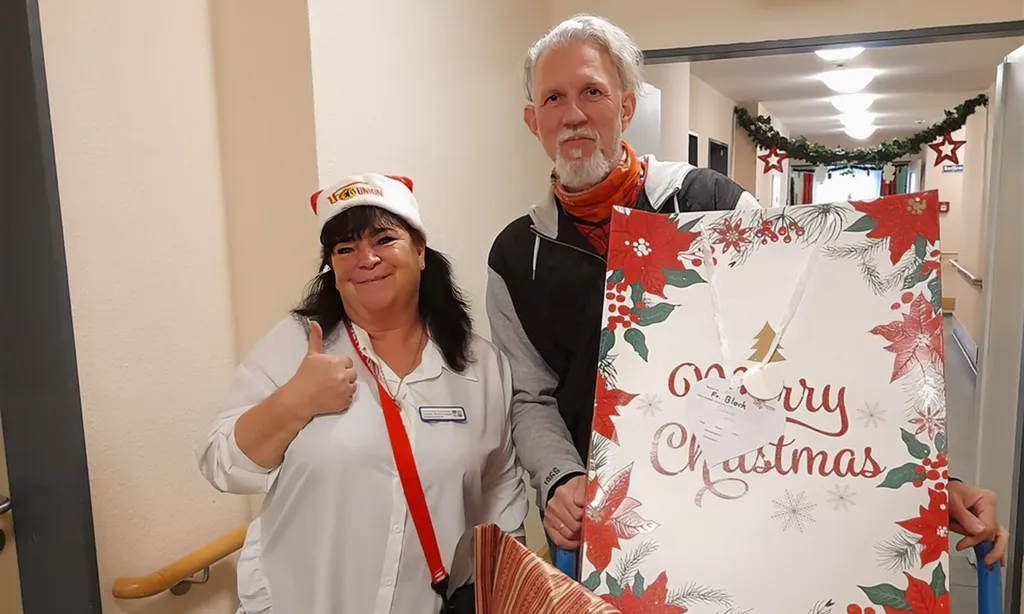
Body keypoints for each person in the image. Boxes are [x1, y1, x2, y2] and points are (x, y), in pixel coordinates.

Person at [486, 13, 1009, 566]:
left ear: (626, 105)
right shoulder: (516, 257)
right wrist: (560, 477)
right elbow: (530, 394)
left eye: (591, 91)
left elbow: (816, 338)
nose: (572, 114)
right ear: (532, 121)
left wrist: (927, 482)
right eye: (552, 99)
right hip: (609, 525)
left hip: (740, 497)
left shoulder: (714, 204)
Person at [196, 173, 528, 614]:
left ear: (421, 251)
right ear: (332, 269)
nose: (366, 259)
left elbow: (500, 491)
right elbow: (220, 463)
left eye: (384, 239)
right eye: (345, 249)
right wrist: (296, 399)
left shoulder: (480, 365)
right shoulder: (295, 344)